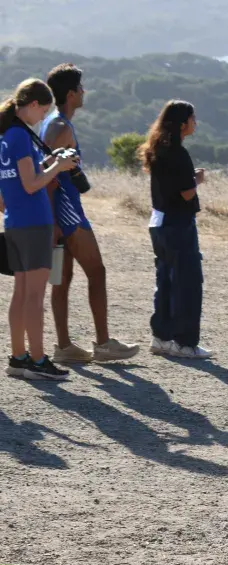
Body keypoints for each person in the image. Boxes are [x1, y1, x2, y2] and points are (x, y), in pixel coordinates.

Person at [41, 63, 139, 364]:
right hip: (66, 212)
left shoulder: (52, 123)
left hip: (60, 212)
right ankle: (103, 343)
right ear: (71, 94)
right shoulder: (60, 128)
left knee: (63, 278)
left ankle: (64, 347)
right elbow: (46, 172)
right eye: (81, 88)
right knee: (97, 272)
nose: (84, 92)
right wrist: (53, 222)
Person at [1, 78, 79, 380]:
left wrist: (50, 161)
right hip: (34, 222)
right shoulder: (21, 136)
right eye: (44, 112)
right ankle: (37, 360)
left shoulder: (6, 137)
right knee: (34, 297)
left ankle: (18, 358)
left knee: (20, 294)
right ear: (33, 105)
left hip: (16, 223)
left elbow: (22, 176)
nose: (43, 118)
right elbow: (32, 183)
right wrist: (58, 167)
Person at [139, 100, 212, 359]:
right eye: (193, 119)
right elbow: (185, 192)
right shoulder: (179, 153)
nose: (195, 123)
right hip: (178, 224)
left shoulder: (158, 149)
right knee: (188, 282)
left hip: (158, 222)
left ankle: (161, 337)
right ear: (183, 124)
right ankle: (185, 343)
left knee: (165, 281)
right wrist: (197, 180)